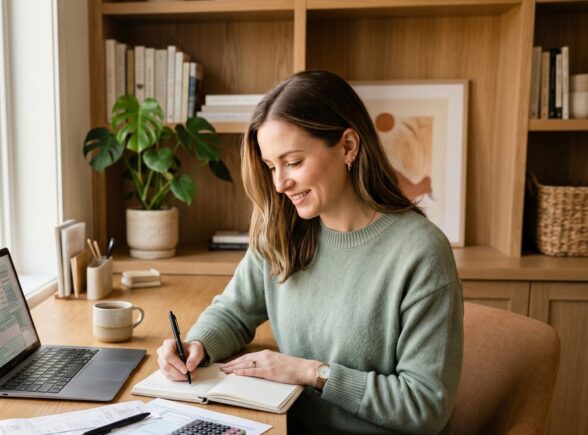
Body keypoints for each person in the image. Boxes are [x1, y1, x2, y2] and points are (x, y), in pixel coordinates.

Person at [156, 70, 463, 434]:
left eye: (294, 162)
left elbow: (425, 406)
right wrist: (197, 345)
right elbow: (235, 311)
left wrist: (310, 373)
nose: (280, 183)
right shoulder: (282, 232)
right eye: (271, 166)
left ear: (348, 146)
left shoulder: (420, 252)